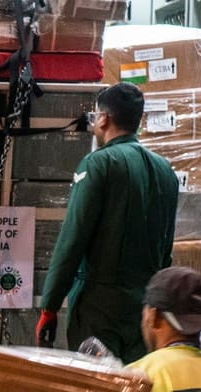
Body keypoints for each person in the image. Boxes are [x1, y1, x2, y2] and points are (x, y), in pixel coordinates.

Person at [36, 81, 179, 362]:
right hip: (146, 309)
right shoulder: (166, 171)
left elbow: (72, 239)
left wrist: (49, 306)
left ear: (104, 118)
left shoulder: (98, 163)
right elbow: (166, 250)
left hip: (99, 307)